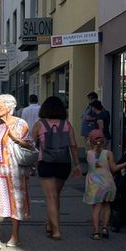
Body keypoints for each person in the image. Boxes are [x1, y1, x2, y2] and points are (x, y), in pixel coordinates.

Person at [0, 94, 31, 248]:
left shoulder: (20, 124)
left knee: (15, 202)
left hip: (14, 170)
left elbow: (31, 146)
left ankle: (15, 236)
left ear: (9, 107)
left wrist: (16, 138)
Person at [33, 96, 81, 240]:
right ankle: (50, 224)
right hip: (63, 163)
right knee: (56, 196)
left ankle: (56, 230)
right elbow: (73, 145)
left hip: (46, 163)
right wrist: (77, 164)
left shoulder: (39, 124)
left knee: (50, 197)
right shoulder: (67, 124)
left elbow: (30, 144)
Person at [84, 129, 126, 240]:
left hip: (94, 185)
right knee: (107, 206)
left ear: (90, 141)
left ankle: (96, 232)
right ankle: (105, 228)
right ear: (104, 140)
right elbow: (114, 168)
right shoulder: (108, 153)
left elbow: (90, 149)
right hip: (107, 183)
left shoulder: (88, 154)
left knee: (96, 208)